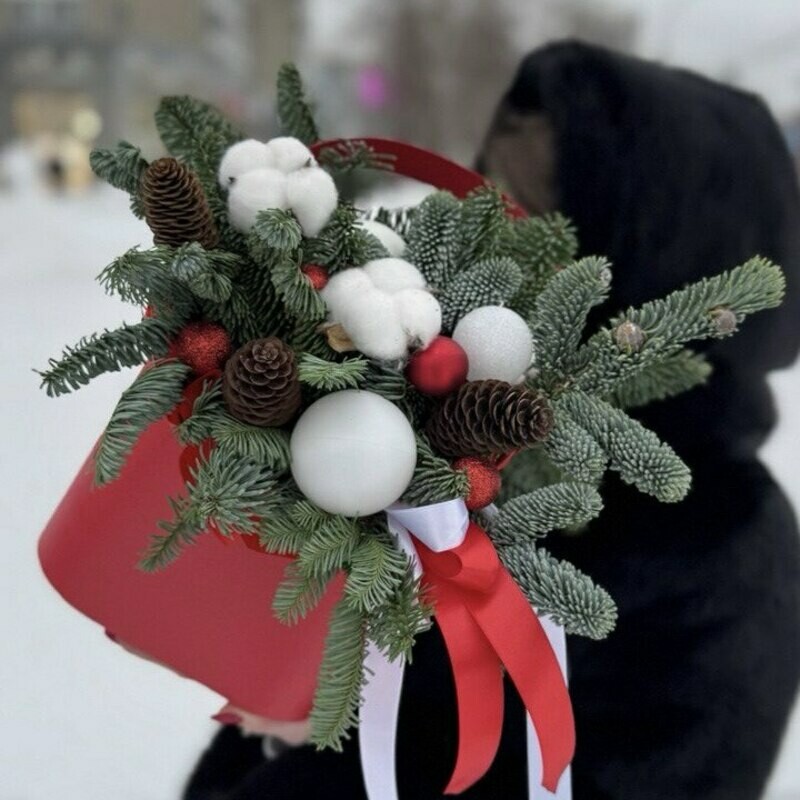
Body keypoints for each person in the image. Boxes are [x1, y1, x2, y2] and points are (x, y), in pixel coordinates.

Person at [184, 41, 800, 799]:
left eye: (535, 217)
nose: (494, 260)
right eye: (485, 199)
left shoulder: (724, 541)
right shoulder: (437, 447)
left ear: (649, 261)